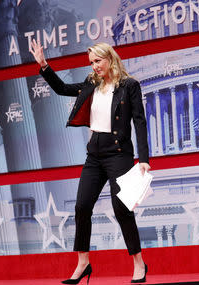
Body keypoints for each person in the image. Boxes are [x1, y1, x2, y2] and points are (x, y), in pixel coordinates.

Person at [30, 40, 151, 284]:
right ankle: (83, 263)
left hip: (119, 153)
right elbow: (62, 88)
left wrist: (144, 159)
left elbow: (139, 121)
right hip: (94, 154)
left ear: (110, 59)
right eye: (92, 63)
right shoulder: (91, 85)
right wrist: (44, 65)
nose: (94, 66)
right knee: (82, 207)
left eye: (98, 61)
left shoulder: (129, 86)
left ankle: (139, 263)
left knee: (122, 209)